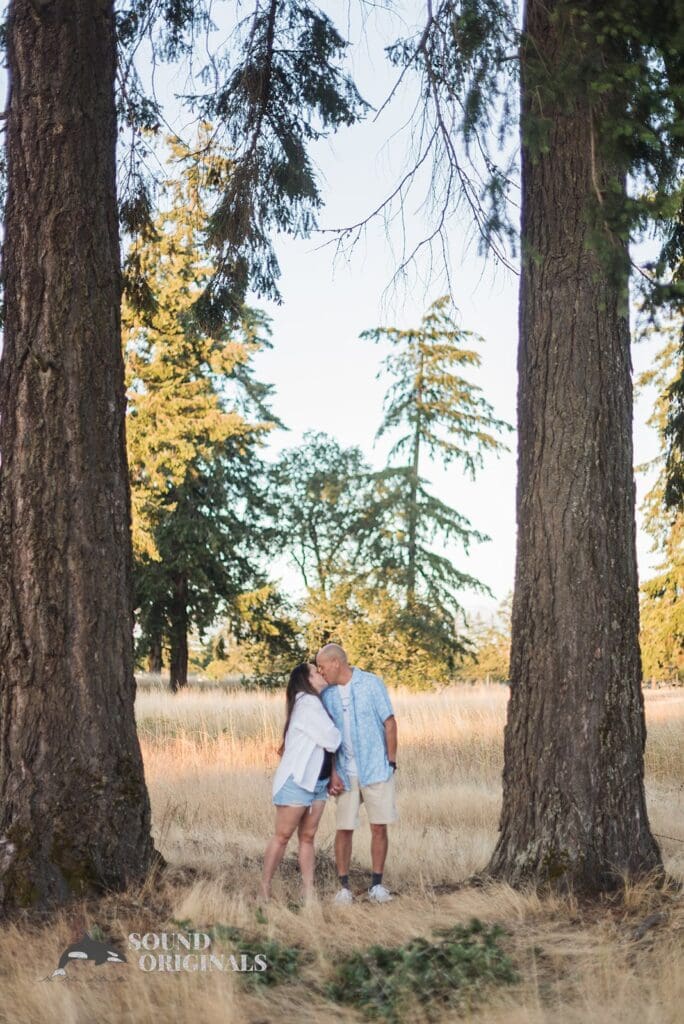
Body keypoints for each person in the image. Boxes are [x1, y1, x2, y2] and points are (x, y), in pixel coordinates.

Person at [316, 643, 398, 904]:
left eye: (322, 665)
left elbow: (389, 722)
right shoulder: (326, 695)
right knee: (344, 828)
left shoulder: (371, 684)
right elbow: (326, 739)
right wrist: (332, 773)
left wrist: (391, 762)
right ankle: (344, 888)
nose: (320, 671)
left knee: (379, 827)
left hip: (375, 768)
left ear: (336, 662)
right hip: (344, 773)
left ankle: (377, 886)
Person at [260, 662, 341, 903]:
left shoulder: (314, 702)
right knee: (282, 836)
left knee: (308, 837)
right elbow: (332, 739)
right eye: (316, 673)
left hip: (317, 783)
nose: (321, 674)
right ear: (306, 680)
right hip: (297, 782)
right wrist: (335, 732)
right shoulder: (307, 703)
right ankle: (264, 889)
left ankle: (308, 891)